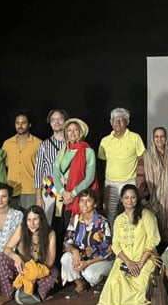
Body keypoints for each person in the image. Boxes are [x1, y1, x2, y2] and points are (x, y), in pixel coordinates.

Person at [97, 184, 160, 305]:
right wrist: (129, 262)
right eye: (126, 198)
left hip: (145, 259)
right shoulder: (119, 220)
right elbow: (115, 245)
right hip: (124, 261)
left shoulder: (146, 215)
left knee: (141, 288)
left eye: (133, 198)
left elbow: (153, 239)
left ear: (137, 199)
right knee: (114, 284)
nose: (129, 201)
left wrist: (140, 263)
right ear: (121, 199)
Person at [0, 205, 58, 305]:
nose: (32, 223)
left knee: (51, 278)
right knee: (1, 258)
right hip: (21, 267)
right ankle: (6, 294)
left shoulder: (50, 233)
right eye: (29, 220)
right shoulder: (22, 229)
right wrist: (16, 257)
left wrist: (33, 271)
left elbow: (50, 262)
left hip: (39, 269)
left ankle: (28, 289)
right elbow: (7, 248)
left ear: (41, 220)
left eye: (35, 219)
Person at [52, 118, 99, 259]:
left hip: (80, 197)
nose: (72, 133)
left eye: (75, 130)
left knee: (81, 233)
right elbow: (55, 174)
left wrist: (72, 193)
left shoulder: (88, 151)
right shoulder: (62, 151)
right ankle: (66, 268)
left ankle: (83, 266)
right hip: (63, 198)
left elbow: (89, 178)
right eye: (69, 130)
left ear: (81, 132)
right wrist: (62, 192)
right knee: (64, 231)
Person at [60, 188, 113, 298]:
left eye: (88, 200)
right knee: (65, 258)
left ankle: (102, 281)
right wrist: (74, 251)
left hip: (100, 260)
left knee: (90, 274)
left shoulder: (102, 222)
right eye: (81, 200)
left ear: (95, 204)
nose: (84, 204)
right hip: (82, 258)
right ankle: (80, 284)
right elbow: (66, 242)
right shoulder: (74, 220)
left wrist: (88, 263)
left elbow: (108, 250)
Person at [97, 107, 146, 226]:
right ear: (110, 122)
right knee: (110, 215)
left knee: (132, 213)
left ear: (127, 122)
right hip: (111, 184)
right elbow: (102, 163)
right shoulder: (105, 141)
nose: (117, 123)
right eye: (114, 120)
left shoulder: (135, 138)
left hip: (130, 182)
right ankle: (113, 243)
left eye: (121, 120)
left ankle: (132, 243)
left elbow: (142, 159)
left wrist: (139, 182)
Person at [136, 126, 168, 250]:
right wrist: (144, 200)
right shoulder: (145, 156)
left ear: (167, 138)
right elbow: (140, 179)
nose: (159, 139)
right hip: (152, 201)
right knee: (153, 233)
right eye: (156, 136)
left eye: (162, 136)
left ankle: (167, 265)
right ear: (152, 139)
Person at [2, 110, 42, 211]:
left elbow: (41, 169)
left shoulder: (38, 143)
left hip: (30, 190)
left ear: (29, 125)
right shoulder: (7, 144)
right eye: (17, 123)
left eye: (23, 123)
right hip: (12, 190)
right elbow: (4, 166)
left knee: (30, 221)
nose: (20, 126)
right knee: (13, 224)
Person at [34, 108, 68, 225]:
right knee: (47, 221)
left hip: (69, 185)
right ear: (50, 123)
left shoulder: (72, 143)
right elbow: (38, 171)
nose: (56, 122)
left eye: (59, 119)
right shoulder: (44, 145)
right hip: (50, 184)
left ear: (65, 121)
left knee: (68, 221)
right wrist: (38, 197)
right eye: (53, 120)